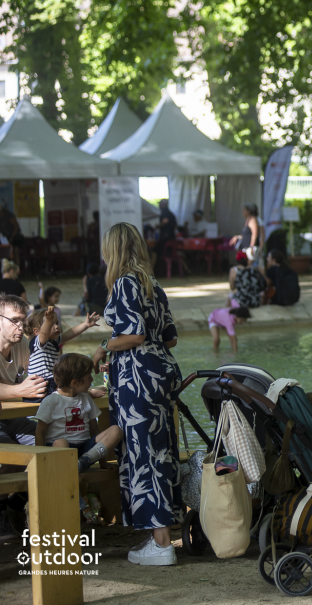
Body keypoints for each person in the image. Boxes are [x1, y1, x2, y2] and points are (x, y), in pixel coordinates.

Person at [92, 222, 183, 566]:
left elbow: (134, 335)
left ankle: (161, 545)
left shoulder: (122, 284)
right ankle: (162, 534)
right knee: (161, 451)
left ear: (112, 249)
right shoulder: (152, 284)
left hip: (138, 380)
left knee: (144, 456)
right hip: (161, 374)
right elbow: (170, 338)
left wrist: (104, 347)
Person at [0, 293, 45, 539]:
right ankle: (1, 513)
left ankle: (16, 502)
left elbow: (40, 374)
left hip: (12, 416)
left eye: (23, 320)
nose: (21, 326)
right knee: (13, 457)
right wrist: (19, 390)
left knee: (48, 447)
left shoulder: (22, 345)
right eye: (15, 320)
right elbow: (22, 388)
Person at [35, 353, 123, 472]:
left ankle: (83, 461)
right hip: (60, 450)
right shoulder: (51, 401)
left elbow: (94, 430)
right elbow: (40, 432)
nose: (92, 380)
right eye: (89, 377)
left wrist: (103, 461)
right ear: (75, 383)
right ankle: (73, 467)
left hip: (84, 449)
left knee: (115, 431)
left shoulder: (86, 399)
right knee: (61, 443)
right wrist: (41, 462)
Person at [25, 306, 102, 402]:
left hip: (50, 383)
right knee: (68, 388)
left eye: (56, 323)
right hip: (40, 386)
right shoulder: (39, 343)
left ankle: (85, 393)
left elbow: (69, 333)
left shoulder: (53, 341)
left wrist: (85, 325)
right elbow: (44, 333)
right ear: (36, 331)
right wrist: (48, 320)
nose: (56, 326)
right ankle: (88, 394)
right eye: (51, 324)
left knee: (69, 382)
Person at [150, 199, 178, 271]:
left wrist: (158, 226)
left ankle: (151, 270)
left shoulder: (165, 212)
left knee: (154, 251)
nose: (159, 205)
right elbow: (175, 226)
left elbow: (165, 221)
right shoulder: (171, 214)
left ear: (163, 205)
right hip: (172, 238)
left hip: (165, 238)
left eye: (160, 204)